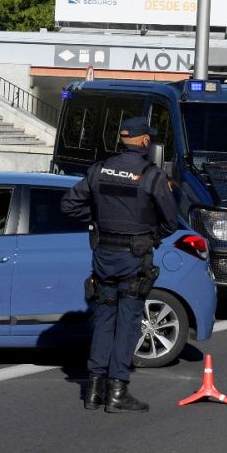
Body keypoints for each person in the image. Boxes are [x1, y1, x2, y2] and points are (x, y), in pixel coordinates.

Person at [60, 116, 177, 414]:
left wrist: (97, 219)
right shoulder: (152, 175)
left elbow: (69, 205)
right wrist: (150, 236)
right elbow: (171, 222)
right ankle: (117, 392)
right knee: (127, 323)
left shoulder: (99, 170)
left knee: (103, 320)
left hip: (103, 256)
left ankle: (93, 390)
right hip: (134, 258)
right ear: (145, 141)